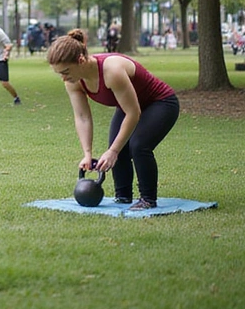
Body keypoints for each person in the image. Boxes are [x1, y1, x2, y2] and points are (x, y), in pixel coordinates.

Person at [47, 29, 180, 210]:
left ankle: (148, 199)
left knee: (138, 145)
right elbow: (82, 117)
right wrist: (87, 153)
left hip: (160, 103)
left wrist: (113, 151)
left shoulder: (112, 71)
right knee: (117, 145)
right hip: (129, 106)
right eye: (59, 73)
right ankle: (123, 197)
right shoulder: (73, 81)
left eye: (65, 71)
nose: (63, 77)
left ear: (80, 60)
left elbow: (133, 113)